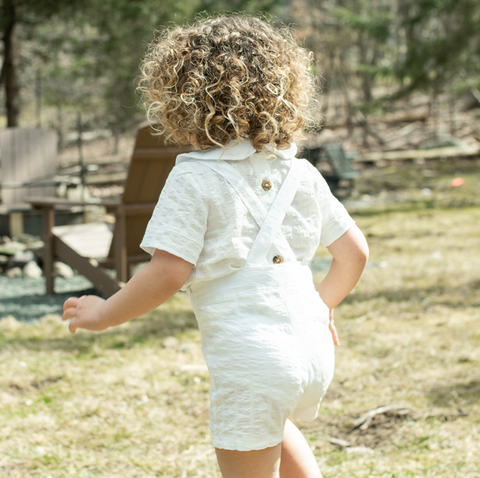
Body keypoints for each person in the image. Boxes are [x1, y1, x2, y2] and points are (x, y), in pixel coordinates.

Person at [62, 15, 369, 478]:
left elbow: (167, 273)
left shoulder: (195, 175)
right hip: (312, 353)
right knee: (276, 422)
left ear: (183, 103)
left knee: (256, 435)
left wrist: (105, 313)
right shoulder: (301, 173)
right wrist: (321, 306)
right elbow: (354, 254)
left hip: (252, 360)